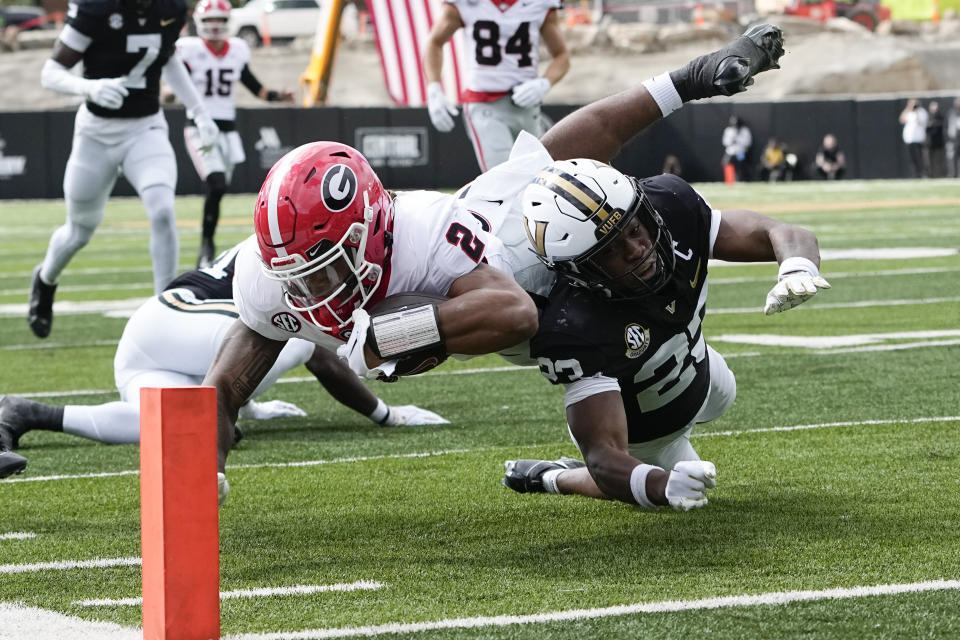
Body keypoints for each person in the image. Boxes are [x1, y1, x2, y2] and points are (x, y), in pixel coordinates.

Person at [202, 24, 786, 505]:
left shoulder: (428, 235)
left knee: (554, 179)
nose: (312, 290)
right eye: (298, 274)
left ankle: (688, 76)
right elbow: (222, 388)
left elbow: (512, 313)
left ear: (373, 231)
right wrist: (203, 464)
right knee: (653, 451)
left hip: (528, 271)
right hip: (532, 305)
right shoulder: (273, 275)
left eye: (326, 268)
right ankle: (576, 471)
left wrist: (386, 334)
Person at [501, 159, 830, 511]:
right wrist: (660, 486)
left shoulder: (671, 205)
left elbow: (780, 231)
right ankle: (553, 477)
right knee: (673, 489)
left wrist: (797, 265)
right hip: (651, 435)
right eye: (609, 251)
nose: (636, 249)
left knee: (726, 393)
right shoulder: (573, 324)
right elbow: (604, 457)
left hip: (700, 368)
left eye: (634, 227)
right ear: (578, 272)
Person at [0, 242, 448, 480]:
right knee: (297, 336)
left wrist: (252, 404)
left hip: (160, 345)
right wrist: (388, 416)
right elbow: (311, 349)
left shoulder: (286, 244)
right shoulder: (295, 252)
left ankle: (26, 413)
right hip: (174, 320)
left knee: (172, 428)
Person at [31, 0, 221, 339]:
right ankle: (45, 279)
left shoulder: (171, 8)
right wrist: (88, 87)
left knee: (162, 212)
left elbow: (168, 57)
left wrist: (200, 111)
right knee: (78, 232)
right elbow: (50, 72)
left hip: (145, 128)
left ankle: (165, 312)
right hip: (95, 133)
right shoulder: (97, 8)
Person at [176, 0, 296, 268]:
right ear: (199, 23)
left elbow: (255, 87)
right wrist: (169, 93)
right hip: (199, 127)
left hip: (227, 130)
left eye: (219, 19)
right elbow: (175, 81)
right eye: (209, 21)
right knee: (216, 182)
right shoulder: (190, 50)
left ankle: (209, 243)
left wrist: (278, 96)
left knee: (220, 187)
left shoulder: (236, 51)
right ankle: (206, 246)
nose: (214, 25)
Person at [422, 0, 570, 172]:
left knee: (536, 176)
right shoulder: (467, 4)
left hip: (526, 105)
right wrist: (434, 89)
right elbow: (435, 42)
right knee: (503, 177)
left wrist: (544, 83)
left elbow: (562, 56)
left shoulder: (539, 4)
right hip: (485, 104)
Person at [899, 98, 928, 178]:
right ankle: (914, 174)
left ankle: (922, 173)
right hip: (909, 139)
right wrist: (908, 108)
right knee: (912, 158)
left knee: (920, 158)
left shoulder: (921, 112)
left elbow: (922, 121)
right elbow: (901, 119)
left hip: (919, 139)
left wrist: (917, 110)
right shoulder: (909, 112)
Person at [720, 115, 752, 181]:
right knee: (726, 163)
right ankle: (730, 180)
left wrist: (738, 139)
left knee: (741, 166)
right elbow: (725, 142)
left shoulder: (745, 130)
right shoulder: (728, 130)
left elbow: (748, 143)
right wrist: (732, 140)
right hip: (730, 152)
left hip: (741, 153)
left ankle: (741, 180)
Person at [924, 100, 946, 179]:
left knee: (939, 160)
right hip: (929, 142)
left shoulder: (940, 116)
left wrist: (933, 123)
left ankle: (939, 175)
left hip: (939, 143)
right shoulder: (927, 116)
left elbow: (941, 125)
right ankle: (930, 175)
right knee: (928, 161)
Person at [947, 97, 960, 178]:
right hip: (954, 139)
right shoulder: (951, 113)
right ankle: (954, 174)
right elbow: (946, 126)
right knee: (953, 158)